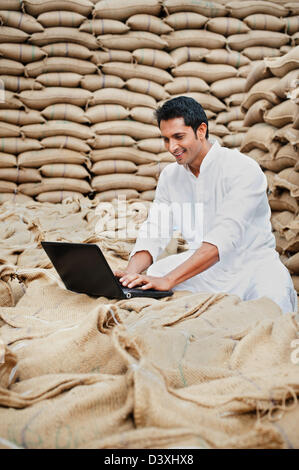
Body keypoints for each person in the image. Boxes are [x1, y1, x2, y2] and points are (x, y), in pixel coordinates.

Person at [115, 96, 297, 314]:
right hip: (202, 270)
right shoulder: (170, 177)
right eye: (166, 139)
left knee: (274, 312)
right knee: (151, 277)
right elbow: (155, 230)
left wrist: (169, 280)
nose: (172, 147)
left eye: (178, 137)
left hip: (253, 269)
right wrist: (130, 275)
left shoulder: (242, 169)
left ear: (201, 131)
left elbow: (224, 237)